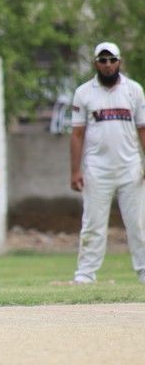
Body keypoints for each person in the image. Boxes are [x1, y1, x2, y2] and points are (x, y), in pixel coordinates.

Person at [70, 41, 145, 284]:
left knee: (138, 224)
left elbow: (142, 129)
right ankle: (85, 275)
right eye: (103, 60)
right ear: (96, 63)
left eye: (112, 60)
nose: (108, 65)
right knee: (93, 224)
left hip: (130, 167)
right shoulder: (84, 93)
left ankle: (144, 271)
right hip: (97, 169)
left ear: (119, 61)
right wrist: (75, 171)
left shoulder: (134, 90)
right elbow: (77, 134)